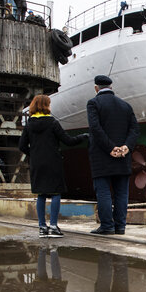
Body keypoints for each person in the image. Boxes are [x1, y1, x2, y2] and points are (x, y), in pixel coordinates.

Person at [19, 94, 88, 238]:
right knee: (56, 193)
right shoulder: (52, 123)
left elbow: (22, 146)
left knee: (41, 194)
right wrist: (83, 136)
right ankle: (54, 226)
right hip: (52, 162)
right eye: (49, 104)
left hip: (37, 163)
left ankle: (42, 228)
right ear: (45, 106)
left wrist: (34, 154)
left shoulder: (29, 124)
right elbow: (67, 141)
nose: (50, 106)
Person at [87, 74, 139, 235]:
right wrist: (126, 147)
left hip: (102, 156)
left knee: (103, 192)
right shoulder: (126, 106)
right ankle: (120, 226)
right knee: (122, 192)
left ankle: (107, 226)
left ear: (96, 88)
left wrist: (111, 148)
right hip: (123, 157)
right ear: (111, 87)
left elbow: (95, 129)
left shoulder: (93, 103)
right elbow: (135, 129)